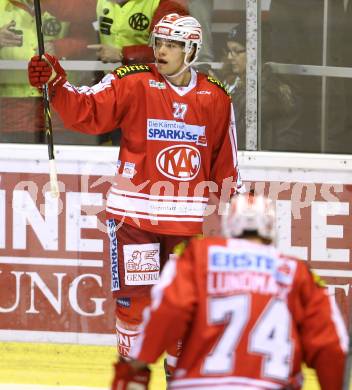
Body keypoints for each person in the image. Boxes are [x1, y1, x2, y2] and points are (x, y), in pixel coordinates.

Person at [27, 13, 242, 371]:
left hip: (186, 227)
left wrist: (232, 216)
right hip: (133, 221)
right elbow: (86, 110)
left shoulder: (215, 96)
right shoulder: (132, 82)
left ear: (191, 50)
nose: (161, 50)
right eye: (158, 42)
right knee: (135, 306)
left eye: (172, 45)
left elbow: (226, 163)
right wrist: (56, 82)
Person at [111, 192, 348, 390]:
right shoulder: (297, 273)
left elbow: (167, 311)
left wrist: (137, 364)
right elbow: (333, 347)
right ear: (271, 230)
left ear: (229, 226)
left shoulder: (199, 256)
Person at [219, 23, 300, 151]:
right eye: (229, 51)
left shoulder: (268, 90)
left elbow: (234, 131)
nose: (230, 57)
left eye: (236, 51)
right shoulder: (232, 81)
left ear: (254, 53)